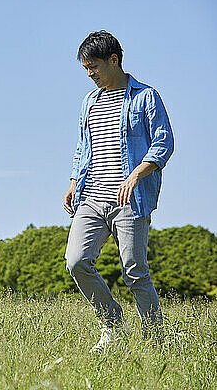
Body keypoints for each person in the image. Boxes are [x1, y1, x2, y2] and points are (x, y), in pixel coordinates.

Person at [63, 31, 174, 352]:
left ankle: (155, 344)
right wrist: (73, 181)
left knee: (135, 272)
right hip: (91, 198)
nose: (90, 74)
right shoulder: (89, 101)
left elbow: (164, 143)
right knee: (76, 261)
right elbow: (83, 147)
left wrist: (136, 174)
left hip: (131, 200)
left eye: (94, 66)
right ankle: (112, 323)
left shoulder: (145, 97)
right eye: (85, 68)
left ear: (114, 60)